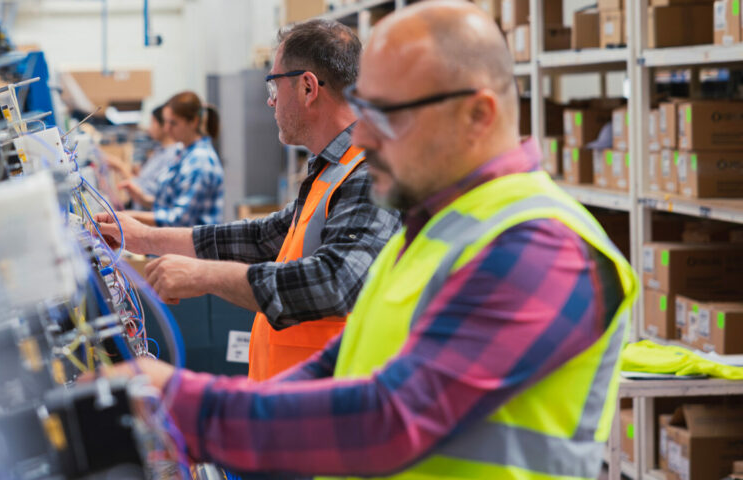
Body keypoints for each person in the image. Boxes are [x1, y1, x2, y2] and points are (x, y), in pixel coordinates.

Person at [102, 2, 639, 478]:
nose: (365, 134)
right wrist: (199, 418)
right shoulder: (431, 226)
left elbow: (391, 418)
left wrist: (185, 401)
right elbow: (339, 366)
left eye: (387, 114)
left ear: (479, 115)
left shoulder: (540, 248)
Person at [96, 19, 403, 381]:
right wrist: (143, 238)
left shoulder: (371, 171)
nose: (270, 100)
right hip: (292, 397)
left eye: (274, 84)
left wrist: (205, 276)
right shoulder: (332, 168)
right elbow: (264, 237)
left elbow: (334, 282)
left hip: (329, 405)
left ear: (307, 88)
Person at [121, 92, 224, 227]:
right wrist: (143, 199)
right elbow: (173, 203)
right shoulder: (183, 152)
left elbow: (180, 220)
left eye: (173, 123)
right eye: (166, 122)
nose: (166, 128)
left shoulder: (200, 161)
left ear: (194, 122)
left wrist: (129, 216)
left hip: (192, 246)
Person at [103, 106, 182, 210]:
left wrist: (121, 167)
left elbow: (148, 192)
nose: (149, 128)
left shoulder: (172, 155)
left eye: (152, 122)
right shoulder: (160, 151)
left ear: (164, 125)